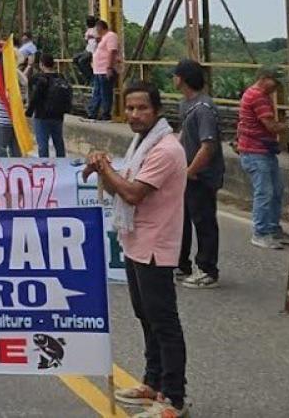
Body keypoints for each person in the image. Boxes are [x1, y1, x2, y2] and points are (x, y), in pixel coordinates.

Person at [83, 82, 189, 418]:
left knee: (163, 321)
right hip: (136, 241)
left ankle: (173, 398)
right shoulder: (142, 142)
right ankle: (152, 380)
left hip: (155, 244)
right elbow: (122, 181)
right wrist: (105, 166)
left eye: (142, 108)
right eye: (129, 108)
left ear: (156, 110)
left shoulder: (165, 149)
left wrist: (104, 167)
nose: (134, 115)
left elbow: (131, 193)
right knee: (146, 316)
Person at [172, 59, 222, 288]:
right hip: (186, 173)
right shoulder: (186, 105)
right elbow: (184, 134)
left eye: (175, 75)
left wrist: (191, 171)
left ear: (182, 78)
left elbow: (208, 145)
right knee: (181, 220)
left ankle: (207, 269)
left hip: (200, 176)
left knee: (203, 221)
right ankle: (181, 264)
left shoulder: (204, 109)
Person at [235, 67, 289, 248]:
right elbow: (271, 126)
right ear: (265, 78)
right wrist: (288, 125)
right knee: (265, 192)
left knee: (276, 190)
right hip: (255, 151)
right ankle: (260, 232)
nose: (276, 87)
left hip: (262, 150)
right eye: (275, 82)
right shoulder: (258, 97)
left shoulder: (257, 94)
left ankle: (272, 228)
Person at [26, 54, 72, 157]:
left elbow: (35, 96)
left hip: (42, 116)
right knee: (58, 142)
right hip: (58, 115)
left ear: (41, 65)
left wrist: (29, 112)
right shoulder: (61, 77)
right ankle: (62, 164)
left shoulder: (38, 78)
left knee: (43, 144)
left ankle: (45, 166)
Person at [86, 19, 120, 122]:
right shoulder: (103, 38)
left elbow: (112, 52)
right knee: (97, 92)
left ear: (101, 27)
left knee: (105, 93)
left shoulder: (111, 36)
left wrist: (109, 68)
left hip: (105, 70)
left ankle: (106, 115)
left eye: (97, 29)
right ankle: (92, 114)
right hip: (98, 70)